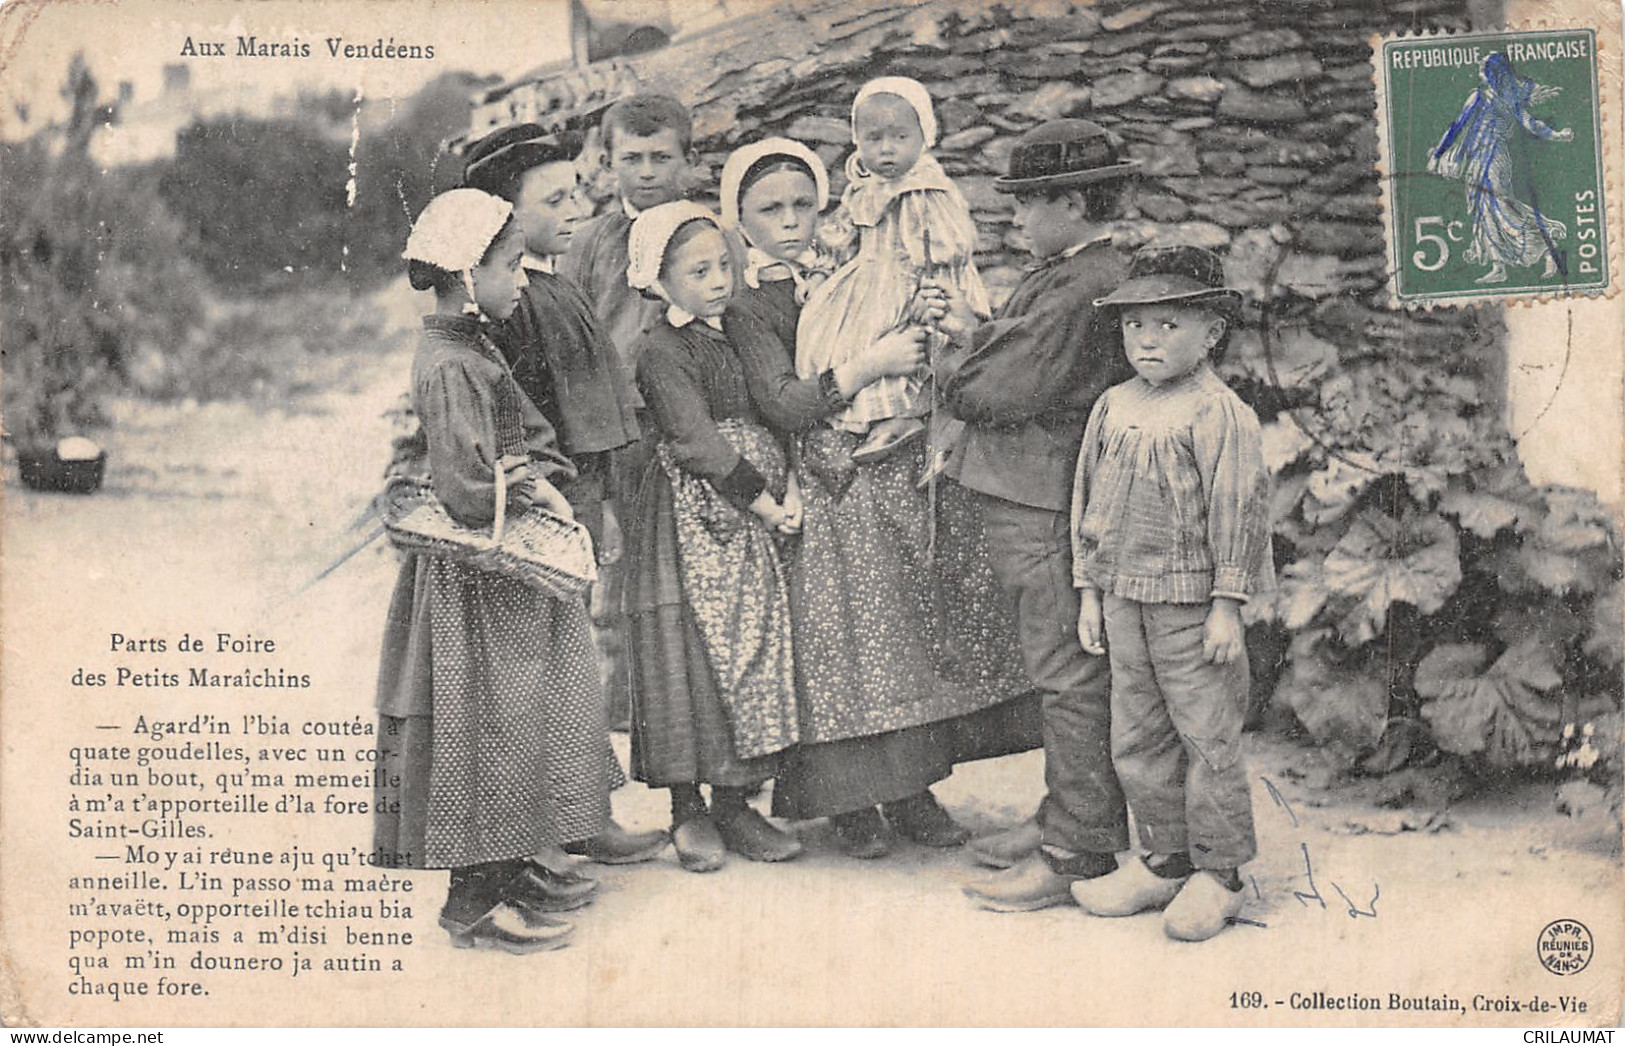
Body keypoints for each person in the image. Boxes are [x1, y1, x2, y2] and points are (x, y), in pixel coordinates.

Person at [373, 188, 615, 954]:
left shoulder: (473, 346)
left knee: (523, 719)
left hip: (503, 573)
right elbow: (468, 491)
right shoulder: (450, 364)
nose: (520, 279)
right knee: (487, 729)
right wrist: (533, 483)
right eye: (510, 266)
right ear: (467, 273)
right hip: (481, 578)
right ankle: (472, 903)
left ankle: (512, 870)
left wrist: (530, 469)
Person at [920, 120, 1139, 913]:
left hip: (1042, 500)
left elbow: (992, 391)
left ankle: (1075, 850)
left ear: (1074, 202)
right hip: (1034, 491)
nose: (1010, 219)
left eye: (1025, 203)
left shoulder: (1079, 284)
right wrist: (980, 340)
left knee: (1067, 677)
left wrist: (955, 358)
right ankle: (1067, 814)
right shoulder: (1075, 273)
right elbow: (1022, 357)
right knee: (1064, 671)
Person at [460, 123, 668, 868]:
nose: (576, 204)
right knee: (537, 666)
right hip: (545, 506)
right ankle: (540, 829)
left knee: (572, 660)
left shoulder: (556, 283)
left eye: (575, 188)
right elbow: (520, 419)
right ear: (505, 219)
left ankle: (584, 814)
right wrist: (558, 502)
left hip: (581, 497)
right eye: (553, 198)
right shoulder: (511, 304)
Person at [1068, 244, 1274, 942]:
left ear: (1211, 332)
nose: (1147, 342)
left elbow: (1237, 510)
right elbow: (1087, 503)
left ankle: (1218, 876)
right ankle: (1161, 859)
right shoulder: (1113, 406)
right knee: (1137, 732)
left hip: (1189, 605)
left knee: (1205, 734)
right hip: (1122, 597)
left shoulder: (1218, 413)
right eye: (1134, 327)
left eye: (1168, 326)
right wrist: (1090, 592)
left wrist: (1227, 604)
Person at [621, 201, 805, 872]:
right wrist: (760, 498)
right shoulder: (659, 349)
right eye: (697, 271)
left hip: (750, 515)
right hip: (686, 516)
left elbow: (777, 402)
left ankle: (734, 801)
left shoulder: (737, 330)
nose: (717, 279)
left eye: (723, 265)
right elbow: (693, 439)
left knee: (747, 651)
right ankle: (686, 809)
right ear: (658, 280)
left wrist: (786, 486)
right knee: (687, 657)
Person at [559, 94, 697, 729]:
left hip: (693, 422)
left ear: (687, 161)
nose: (647, 172)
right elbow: (573, 343)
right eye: (632, 158)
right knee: (620, 573)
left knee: (694, 574)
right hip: (619, 430)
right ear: (608, 163)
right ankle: (625, 714)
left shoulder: (706, 234)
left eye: (661, 157)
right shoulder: (589, 242)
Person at [795, 76, 990, 465]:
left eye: (899, 137)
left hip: (917, 283)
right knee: (847, 344)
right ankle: (871, 421)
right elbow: (840, 234)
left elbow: (940, 249)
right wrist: (819, 272)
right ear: (858, 141)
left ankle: (911, 417)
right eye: (873, 139)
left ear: (924, 136)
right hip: (866, 281)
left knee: (914, 344)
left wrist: (928, 291)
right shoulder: (861, 189)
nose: (886, 150)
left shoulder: (923, 190)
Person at [1428, 52, 1574, 285]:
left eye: (1485, 70)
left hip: (1493, 159)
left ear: (1494, 74)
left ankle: (1546, 245)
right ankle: (1499, 266)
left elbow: (1528, 123)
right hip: (1480, 161)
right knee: (1484, 211)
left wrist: (1555, 135)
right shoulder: (1498, 98)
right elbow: (1457, 126)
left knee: (1501, 208)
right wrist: (1438, 153)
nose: (1482, 74)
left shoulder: (1491, 98)